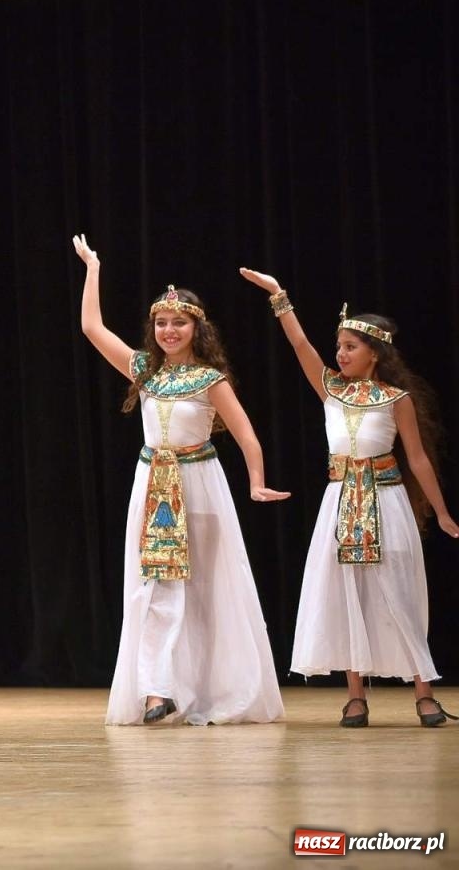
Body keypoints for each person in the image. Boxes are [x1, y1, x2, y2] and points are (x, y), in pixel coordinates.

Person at [72, 236, 287, 725]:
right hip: (152, 486)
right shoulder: (145, 370)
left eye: (179, 322)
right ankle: (157, 690)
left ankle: (206, 687)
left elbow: (246, 434)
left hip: (199, 482)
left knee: (207, 589)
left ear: (197, 328)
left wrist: (255, 481)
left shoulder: (210, 379)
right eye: (162, 323)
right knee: (153, 586)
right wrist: (93, 268)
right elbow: (90, 326)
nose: (169, 330)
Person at [240, 268, 459, 727]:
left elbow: (417, 459)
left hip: (386, 499)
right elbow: (301, 347)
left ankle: (423, 693)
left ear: (374, 353)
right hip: (340, 501)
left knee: (398, 592)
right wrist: (280, 297)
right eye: (338, 346)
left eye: (350, 347)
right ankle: (356, 695)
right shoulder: (332, 391)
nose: (340, 354)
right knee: (346, 596)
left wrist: (440, 512)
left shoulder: (395, 398)